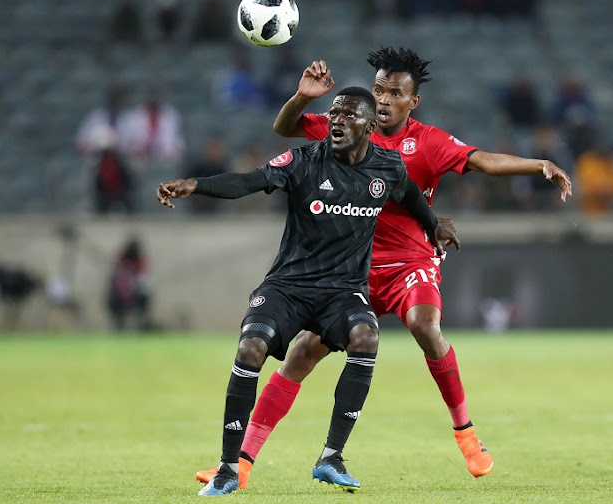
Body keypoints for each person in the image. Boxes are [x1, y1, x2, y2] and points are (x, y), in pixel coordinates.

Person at [196, 47, 572, 490]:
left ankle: (466, 433)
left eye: (395, 92)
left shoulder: (428, 142)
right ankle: (241, 462)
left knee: (425, 326)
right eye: (378, 89)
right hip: (349, 269)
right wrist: (301, 97)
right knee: (300, 354)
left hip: (411, 261)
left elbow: (481, 161)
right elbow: (284, 127)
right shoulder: (351, 126)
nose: (384, 98)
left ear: (413, 101)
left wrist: (538, 165)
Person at [157, 86, 459, 496]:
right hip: (289, 286)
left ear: (370, 126)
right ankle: (229, 468)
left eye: (348, 115)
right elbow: (249, 181)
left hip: (343, 292)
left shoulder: (386, 166)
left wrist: (433, 225)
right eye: (333, 113)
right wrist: (197, 184)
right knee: (250, 348)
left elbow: (409, 195)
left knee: (366, 337)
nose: (336, 120)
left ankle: (331, 457)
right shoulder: (303, 161)